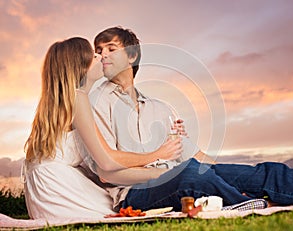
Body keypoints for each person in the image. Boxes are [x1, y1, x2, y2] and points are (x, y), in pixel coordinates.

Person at [87, 26, 293, 212]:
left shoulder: (160, 108)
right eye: (98, 51)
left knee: (262, 172)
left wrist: (226, 175)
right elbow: (107, 171)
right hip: (135, 194)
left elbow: (195, 156)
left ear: (132, 56)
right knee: (191, 175)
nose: (102, 56)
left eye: (110, 49)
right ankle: (250, 204)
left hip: (178, 174)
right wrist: (165, 169)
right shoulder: (97, 103)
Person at [23, 37, 182, 220]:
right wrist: (159, 154)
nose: (100, 57)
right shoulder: (78, 98)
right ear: (81, 66)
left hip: (43, 189)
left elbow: (95, 161)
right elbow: (106, 161)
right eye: (94, 55)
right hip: (58, 188)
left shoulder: (62, 103)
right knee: (117, 214)